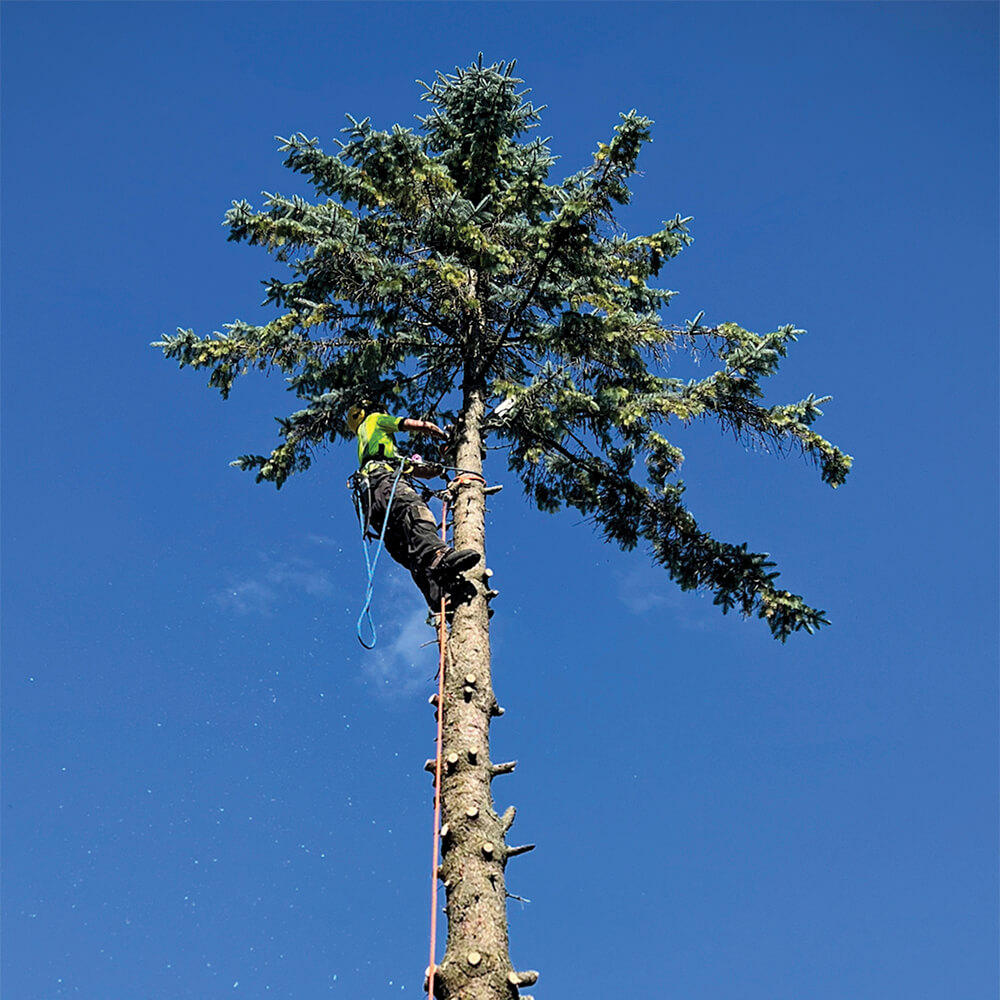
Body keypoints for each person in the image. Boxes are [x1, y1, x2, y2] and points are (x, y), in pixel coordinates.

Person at [347, 401, 480, 610]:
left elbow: (417, 469)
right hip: (385, 483)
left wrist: (437, 469)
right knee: (415, 511)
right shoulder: (375, 420)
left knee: (407, 549)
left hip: (372, 502)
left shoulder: (375, 447)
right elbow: (413, 424)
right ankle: (438, 555)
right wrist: (440, 433)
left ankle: (439, 594)